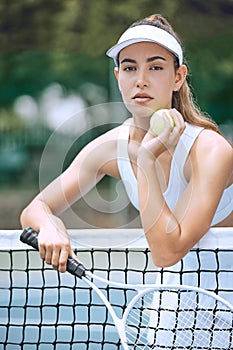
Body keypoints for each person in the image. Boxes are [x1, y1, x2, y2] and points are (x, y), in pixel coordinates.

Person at [20, 14, 233, 273]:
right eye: (130, 68)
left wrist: (145, 159)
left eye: (155, 67)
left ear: (178, 77)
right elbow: (35, 209)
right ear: (118, 76)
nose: (140, 80)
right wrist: (50, 225)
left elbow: (167, 253)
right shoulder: (109, 148)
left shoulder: (210, 150)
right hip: (170, 299)